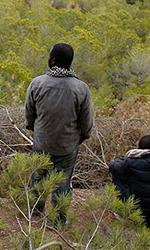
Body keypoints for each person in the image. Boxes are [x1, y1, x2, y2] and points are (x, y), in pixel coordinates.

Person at [25, 43, 94, 220]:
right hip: (67, 146)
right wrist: (81, 137)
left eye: (49, 55)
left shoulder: (37, 83)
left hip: (42, 143)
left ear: (53, 59)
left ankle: (35, 213)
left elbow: (29, 116)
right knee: (62, 184)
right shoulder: (81, 88)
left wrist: (38, 131)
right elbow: (87, 123)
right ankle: (59, 219)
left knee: (38, 179)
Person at [108, 135, 150, 228]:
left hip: (139, 211)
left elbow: (113, 166)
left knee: (117, 177)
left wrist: (131, 156)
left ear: (139, 149)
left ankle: (126, 208)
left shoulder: (131, 163)